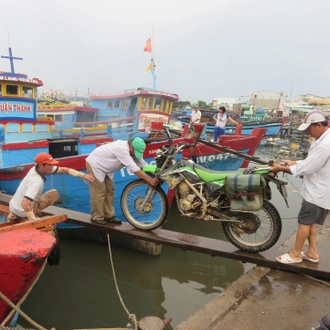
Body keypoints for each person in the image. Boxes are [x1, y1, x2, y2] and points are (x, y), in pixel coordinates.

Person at [270, 110, 330, 264]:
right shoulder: (321, 138)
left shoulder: (325, 143)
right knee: (311, 223)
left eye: (310, 128)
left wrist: (280, 168)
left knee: (304, 222)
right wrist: (294, 162)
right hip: (318, 190)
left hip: (318, 191)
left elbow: (308, 168)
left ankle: (296, 254)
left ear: (318, 125)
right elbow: (311, 161)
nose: (308, 132)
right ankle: (312, 252)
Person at [86, 137, 159, 225]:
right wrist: (149, 180)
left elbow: (143, 165)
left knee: (110, 190)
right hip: (96, 164)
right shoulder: (122, 149)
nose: (136, 155)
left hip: (107, 168)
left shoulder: (132, 152)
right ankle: (96, 217)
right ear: (131, 147)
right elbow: (134, 168)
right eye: (136, 152)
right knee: (99, 192)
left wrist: (156, 176)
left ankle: (109, 216)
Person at [7, 152, 95, 222]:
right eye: (50, 165)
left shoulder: (35, 169)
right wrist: (33, 220)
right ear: (42, 165)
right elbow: (25, 203)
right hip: (22, 211)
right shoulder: (37, 181)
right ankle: (28, 215)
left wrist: (82, 175)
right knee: (53, 194)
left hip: (13, 207)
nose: (52, 167)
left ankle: (14, 214)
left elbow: (64, 170)